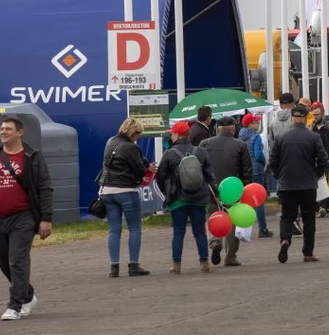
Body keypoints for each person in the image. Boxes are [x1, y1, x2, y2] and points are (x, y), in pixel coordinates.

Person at [0, 116, 52, 321]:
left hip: (23, 218)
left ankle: (15, 305)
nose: (3, 132)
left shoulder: (32, 156)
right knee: (4, 262)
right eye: (2, 129)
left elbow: (45, 188)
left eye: (8, 129)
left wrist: (46, 219)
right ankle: (27, 295)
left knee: (17, 261)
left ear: (20, 132)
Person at [270, 105, 329, 263]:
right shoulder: (313, 137)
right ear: (305, 118)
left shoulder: (281, 138)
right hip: (308, 184)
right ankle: (308, 253)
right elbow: (323, 160)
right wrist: (316, 174)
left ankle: (285, 239)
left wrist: (279, 176)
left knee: (287, 216)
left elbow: (272, 161)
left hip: (286, 183)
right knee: (309, 219)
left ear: (291, 118)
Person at [156, 121, 215, 274]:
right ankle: (204, 262)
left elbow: (160, 176)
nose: (172, 136)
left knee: (178, 232)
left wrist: (167, 192)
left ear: (177, 135)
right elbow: (209, 175)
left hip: (177, 199)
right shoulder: (200, 151)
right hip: (199, 198)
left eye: (172, 134)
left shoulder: (169, 153)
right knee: (199, 231)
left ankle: (176, 264)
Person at [100, 117, 154, 278]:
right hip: (126, 191)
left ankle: (114, 267)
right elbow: (139, 170)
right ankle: (133, 265)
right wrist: (148, 168)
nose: (138, 138)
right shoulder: (131, 147)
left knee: (114, 229)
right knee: (135, 228)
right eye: (138, 135)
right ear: (134, 133)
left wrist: (144, 163)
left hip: (107, 191)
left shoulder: (111, 141)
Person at [199, 117, 252, 267]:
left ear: (217, 129)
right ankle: (231, 256)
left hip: (210, 189)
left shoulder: (205, 144)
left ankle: (215, 241)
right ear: (233, 129)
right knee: (233, 221)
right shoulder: (241, 145)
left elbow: (199, 167)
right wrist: (246, 189)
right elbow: (247, 171)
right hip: (234, 190)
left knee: (213, 217)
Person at [238, 114, 272, 237]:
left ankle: (243, 229)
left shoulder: (240, 136)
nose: (258, 124)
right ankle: (262, 228)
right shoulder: (255, 137)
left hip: (244, 171)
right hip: (256, 170)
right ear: (251, 124)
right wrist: (264, 161)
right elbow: (258, 154)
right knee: (259, 200)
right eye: (256, 122)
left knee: (244, 200)